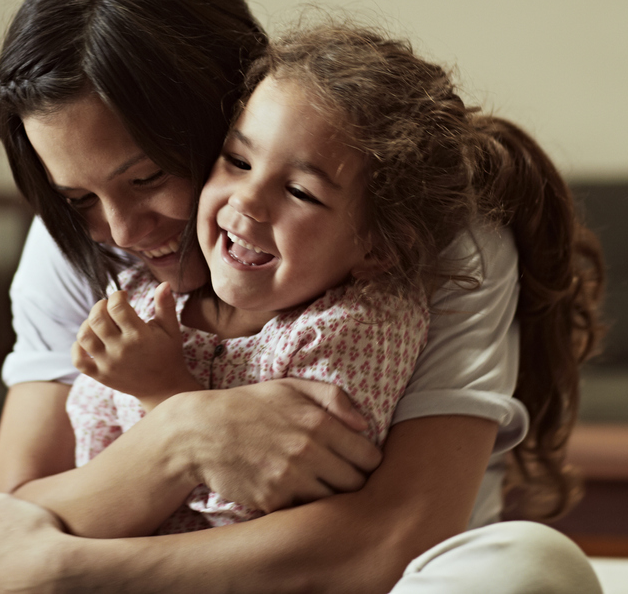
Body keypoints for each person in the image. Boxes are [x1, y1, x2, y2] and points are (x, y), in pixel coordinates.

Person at [0, 0, 605, 594]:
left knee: (529, 568)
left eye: (148, 177)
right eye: (77, 197)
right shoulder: (82, 239)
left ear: (235, 110)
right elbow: (11, 526)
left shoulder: (440, 239)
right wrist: (183, 433)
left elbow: (389, 536)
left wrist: (79, 566)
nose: (121, 230)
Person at [66, 27, 446, 533]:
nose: (246, 200)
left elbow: (271, 511)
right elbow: (91, 470)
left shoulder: (357, 327)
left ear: (376, 247)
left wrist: (166, 392)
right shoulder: (143, 296)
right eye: (238, 161)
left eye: (300, 191)